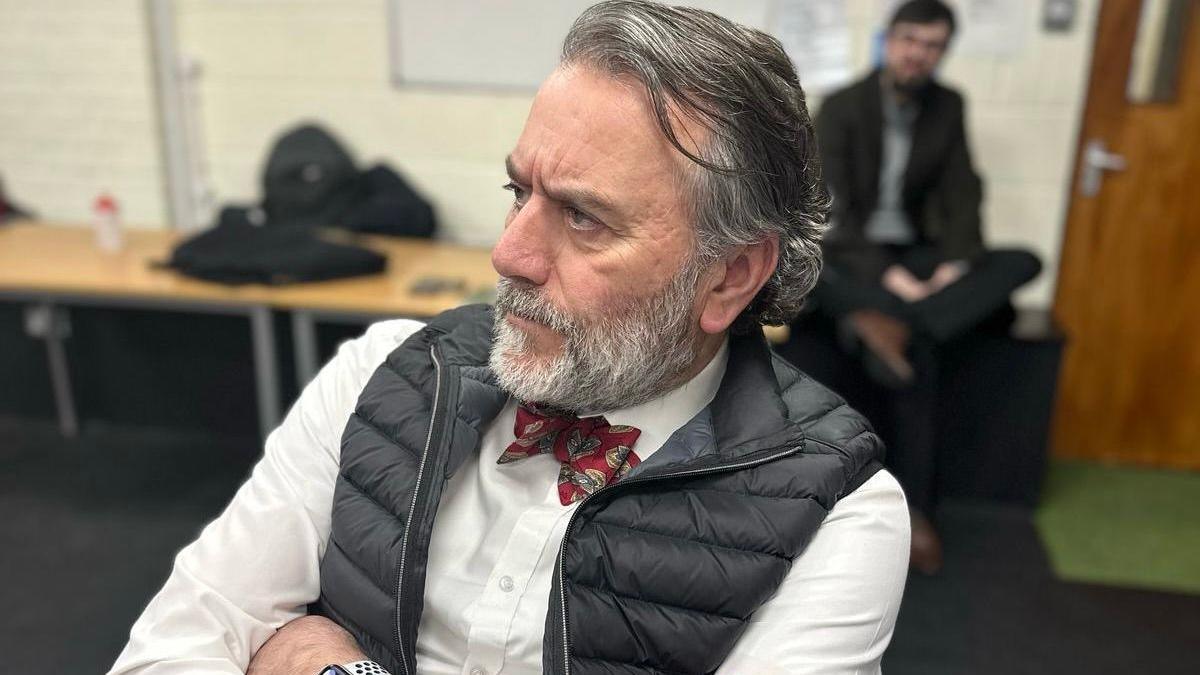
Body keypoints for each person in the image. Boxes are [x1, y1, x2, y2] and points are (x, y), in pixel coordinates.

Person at [109, 2, 909, 674]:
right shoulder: (381, 371)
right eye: (517, 191)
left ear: (731, 274)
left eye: (584, 216)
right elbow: (167, 649)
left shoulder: (836, 512)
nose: (509, 254)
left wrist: (322, 661)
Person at [810, 0, 1041, 574]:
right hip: (854, 256)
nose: (920, 53)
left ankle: (894, 323)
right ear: (889, 40)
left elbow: (964, 192)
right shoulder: (841, 107)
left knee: (1021, 261)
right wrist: (890, 279)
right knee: (814, 275)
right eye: (911, 40)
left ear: (943, 52)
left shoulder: (948, 106)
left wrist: (952, 268)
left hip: (915, 252)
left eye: (933, 45)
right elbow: (830, 214)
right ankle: (915, 509)